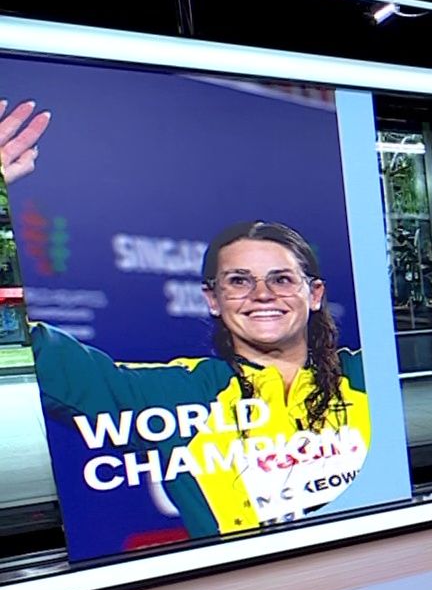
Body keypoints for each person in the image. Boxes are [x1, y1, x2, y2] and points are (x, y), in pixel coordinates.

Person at [31, 220, 377, 537]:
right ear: (213, 299)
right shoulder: (182, 394)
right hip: (250, 582)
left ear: (314, 294)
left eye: (281, 279)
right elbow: (54, 361)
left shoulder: (366, 377)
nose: (262, 294)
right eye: (239, 280)